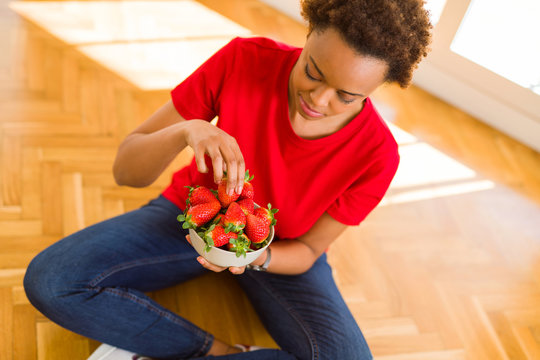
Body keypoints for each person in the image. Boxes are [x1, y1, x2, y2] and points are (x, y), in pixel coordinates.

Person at [23, 0, 432, 359]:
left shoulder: (378, 156)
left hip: (279, 251)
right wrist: (188, 130)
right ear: (308, 35)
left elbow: (307, 249)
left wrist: (254, 256)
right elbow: (126, 171)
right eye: (313, 71)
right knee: (51, 281)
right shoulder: (243, 60)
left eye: (347, 96)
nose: (319, 100)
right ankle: (210, 351)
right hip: (190, 220)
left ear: (376, 89)